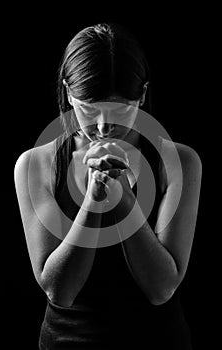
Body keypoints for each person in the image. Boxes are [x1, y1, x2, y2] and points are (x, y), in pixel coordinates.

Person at [14, 23, 202, 349]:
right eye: (88, 109)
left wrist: (125, 199)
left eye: (119, 109)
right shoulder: (36, 164)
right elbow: (59, 290)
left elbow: (161, 289)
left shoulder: (179, 162)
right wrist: (94, 199)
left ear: (141, 96)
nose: (103, 127)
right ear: (69, 94)